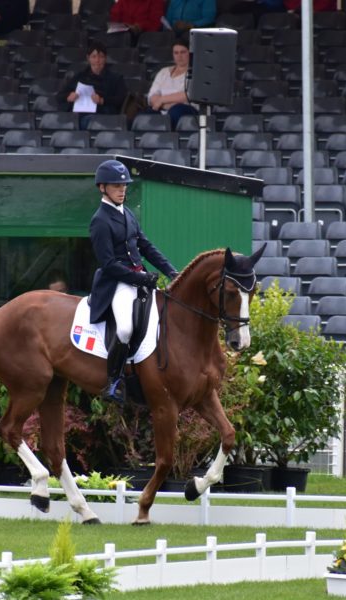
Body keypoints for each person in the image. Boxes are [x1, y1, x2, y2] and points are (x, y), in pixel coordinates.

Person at [88, 160, 179, 403]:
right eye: (117, 185)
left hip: (139, 280)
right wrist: (140, 278)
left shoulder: (127, 212)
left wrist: (172, 272)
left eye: (124, 185)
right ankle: (114, 382)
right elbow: (108, 264)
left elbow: (146, 246)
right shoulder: (100, 220)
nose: (122, 189)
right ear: (102, 188)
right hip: (116, 283)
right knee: (126, 328)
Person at [56, 41, 128, 130]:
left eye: (101, 57)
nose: (97, 60)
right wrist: (69, 97)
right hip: (79, 114)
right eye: (94, 57)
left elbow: (121, 99)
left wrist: (102, 100)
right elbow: (59, 96)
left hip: (102, 115)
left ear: (105, 58)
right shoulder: (79, 77)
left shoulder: (116, 78)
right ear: (88, 58)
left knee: (87, 122)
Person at [148, 38, 199, 130]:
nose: (179, 56)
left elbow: (188, 95)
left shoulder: (196, 72)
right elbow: (152, 96)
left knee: (176, 110)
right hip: (161, 109)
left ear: (190, 53)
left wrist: (162, 100)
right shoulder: (163, 72)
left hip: (187, 110)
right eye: (176, 53)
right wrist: (164, 104)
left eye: (183, 52)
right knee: (145, 114)